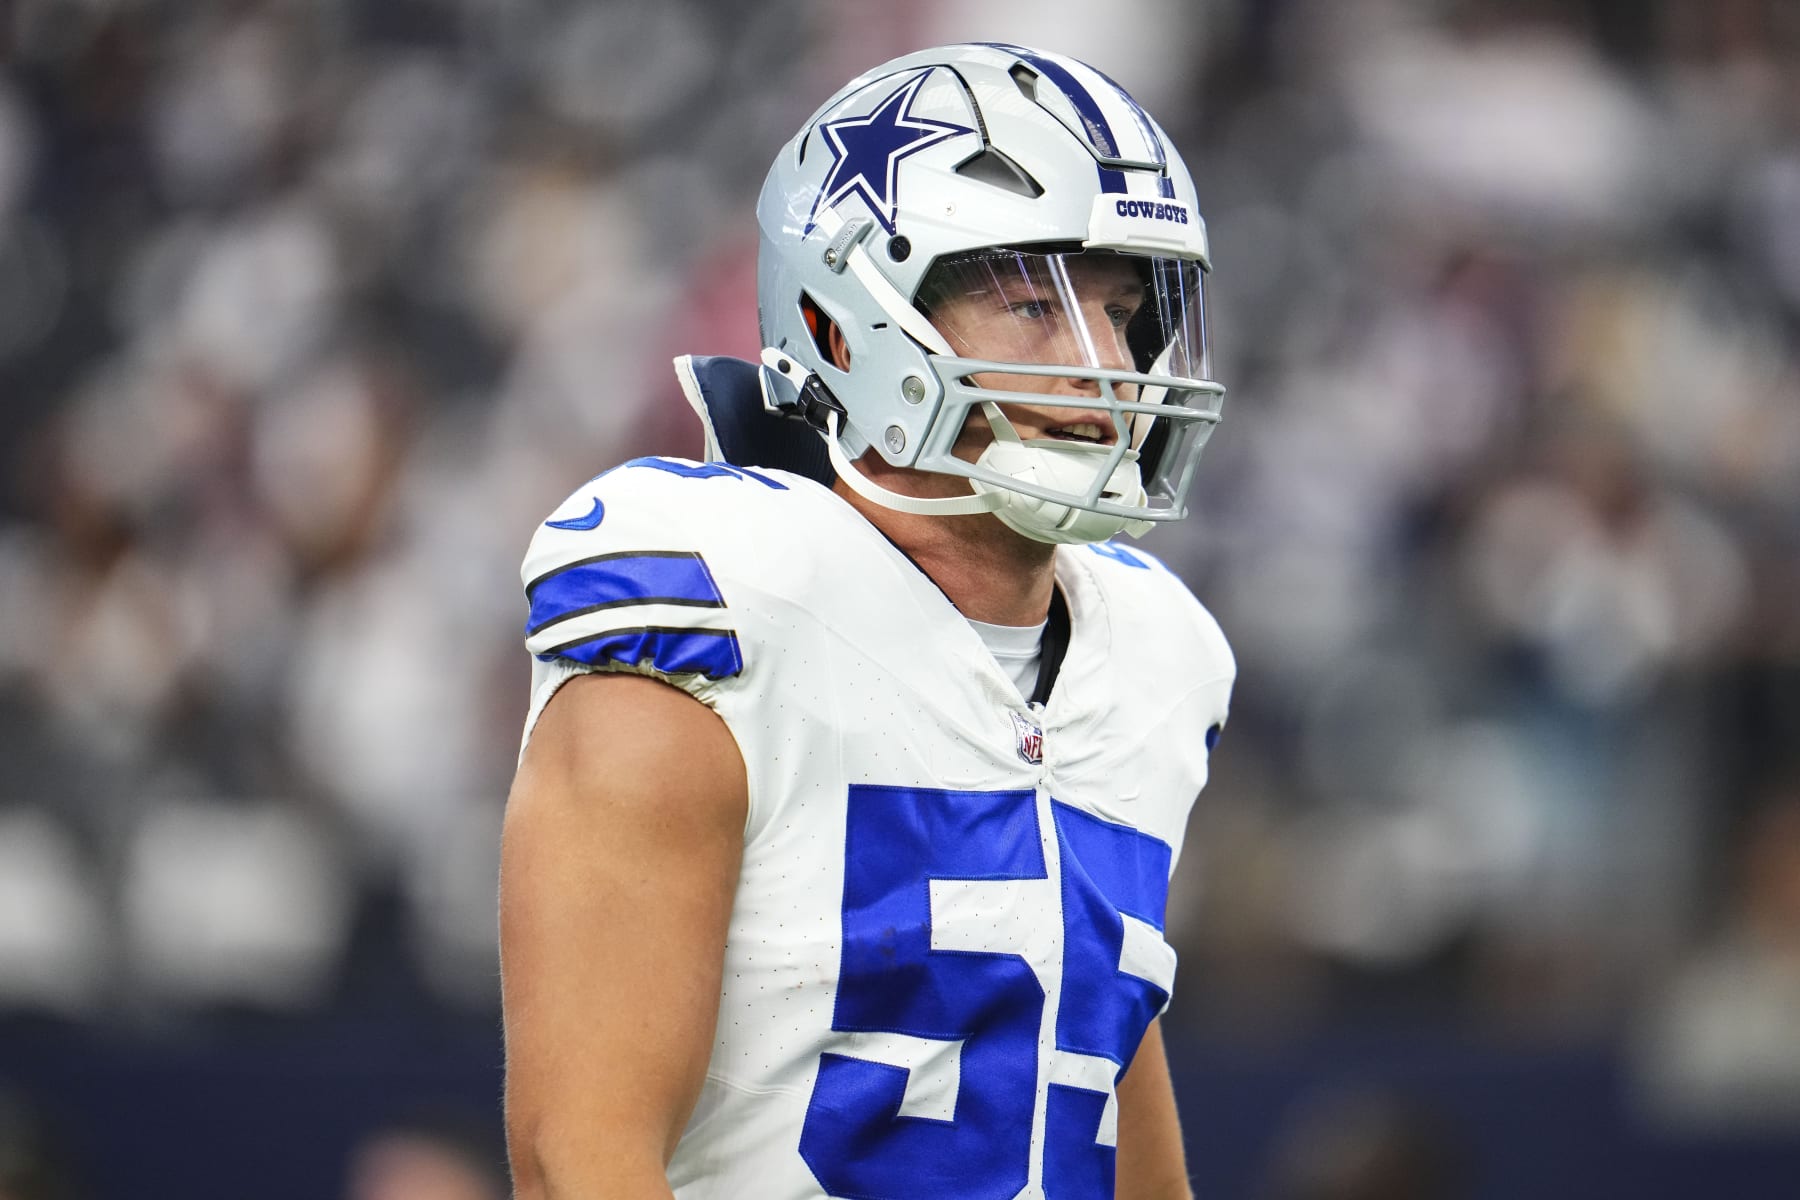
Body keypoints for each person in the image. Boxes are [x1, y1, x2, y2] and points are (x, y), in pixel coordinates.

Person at [500, 43, 1235, 1200]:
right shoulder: (721, 604)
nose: (1107, 366)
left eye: (1123, 312)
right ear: (844, 330)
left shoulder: (1153, 654)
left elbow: (1083, 1032)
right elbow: (577, 1159)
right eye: (1033, 304)